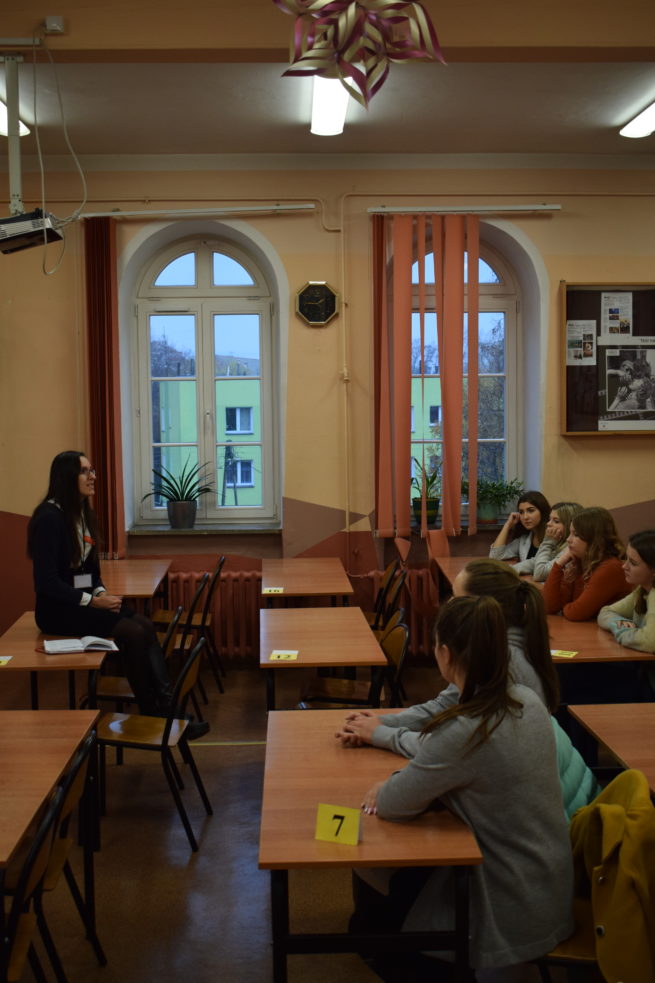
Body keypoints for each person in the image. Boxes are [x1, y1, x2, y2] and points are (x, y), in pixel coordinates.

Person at [343, 596, 574, 978]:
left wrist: (388, 783)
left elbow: (394, 804)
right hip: (549, 885)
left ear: (445, 653)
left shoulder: (468, 729)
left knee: (389, 938)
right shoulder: (524, 699)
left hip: (510, 905)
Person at [337, 559, 598, 819]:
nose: (449, 605)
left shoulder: (502, 664)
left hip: (554, 815)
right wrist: (378, 724)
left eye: (457, 598)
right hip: (561, 809)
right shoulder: (511, 650)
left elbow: (453, 746)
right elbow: (448, 715)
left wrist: (382, 734)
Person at [27, 450, 208, 738]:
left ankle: (166, 710)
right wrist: (93, 601)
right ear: (66, 477)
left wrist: (101, 593)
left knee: (145, 625)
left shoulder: (81, 512)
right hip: (57, 612)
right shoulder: (49, 518)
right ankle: (156, 714)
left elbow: (90, 570)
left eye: (92, 470)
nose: (93, 476)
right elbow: (46, 582)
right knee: (132, 632)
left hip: (84, 603)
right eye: (85, 471)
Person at [542, 506, 626, 621]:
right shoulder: (579, 562)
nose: (568, 540)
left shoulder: (611, 567)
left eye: (576, 535)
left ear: (594, 539)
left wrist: (564, 608)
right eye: (570, 533)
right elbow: (549, 606)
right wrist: (559, 564)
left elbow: (575, 613)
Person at [597, 529, 655, 654]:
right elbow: (606, 612)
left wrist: (623, 632)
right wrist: (620, 623)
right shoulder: (642, 590)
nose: (624, 566)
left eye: (633, 563)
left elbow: (650, 642)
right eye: (626, 559)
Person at [489, 490, 550, 575]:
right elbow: (495, 556)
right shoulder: (524, 539)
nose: (525, 517)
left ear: (542, 511)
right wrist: (507, 525)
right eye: (521, 512)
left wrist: (510, 570)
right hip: (527, 582)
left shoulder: (552, 537)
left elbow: (535, 564)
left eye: (531, 511)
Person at [532, 501, 584, 582]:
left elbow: (539, 574)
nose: (548, 524)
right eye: (549, 519)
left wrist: (547, 542)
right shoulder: (558, 542)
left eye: (556, 521)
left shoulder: (570, 548)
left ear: (570, 525)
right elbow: (534, 562)